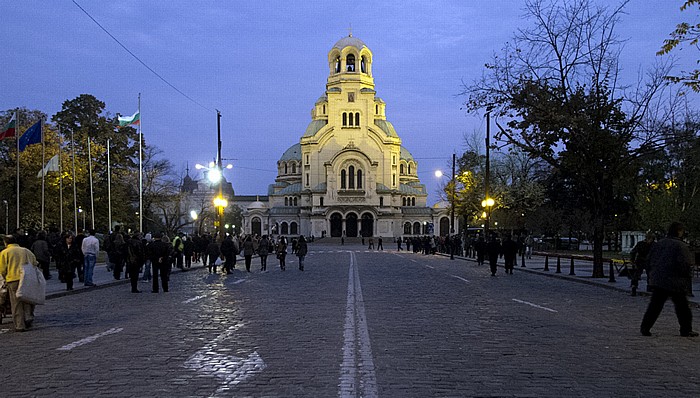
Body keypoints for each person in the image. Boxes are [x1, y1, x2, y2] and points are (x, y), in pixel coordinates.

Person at [640, 222, 698, 337]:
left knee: (655, 306)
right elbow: (685, 263)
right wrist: (686, 275)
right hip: (674, 281)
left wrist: (653, 273)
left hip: (659, 279)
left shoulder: (659, 244)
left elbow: (649, 260)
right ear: (679, 231)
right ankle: (686, 329)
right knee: (682, 307)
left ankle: (645, 327)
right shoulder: (680, 246)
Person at [0, 234, 39, 332]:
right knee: (26, 299)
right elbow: (35, 263)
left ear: (6, 242)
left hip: (13, 279)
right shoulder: (26, 251)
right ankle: (28, 317)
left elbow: (2, 269)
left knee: (16, 303)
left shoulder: (5, 252)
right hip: (26, 278)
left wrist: (5, 278)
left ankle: (20, 325)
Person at [630, 232, 655, 296]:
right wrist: (632, 260)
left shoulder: (651, 244)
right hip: (642, 261)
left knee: (649, 274)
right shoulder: (652, 245)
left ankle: (648, 286)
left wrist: (632, 260)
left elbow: (633, 252)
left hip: (645, 261)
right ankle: (634, 287)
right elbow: (633, 252)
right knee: (638, 274)